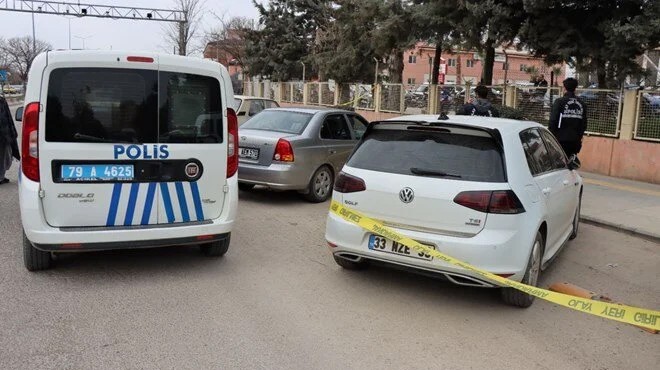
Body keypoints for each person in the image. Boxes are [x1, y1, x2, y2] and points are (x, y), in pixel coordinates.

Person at [549, 78, 587, 158]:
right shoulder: (582, 104)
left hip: (560, 140)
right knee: (570, 163)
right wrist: (579, 138)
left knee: (559, 163)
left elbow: (553, 120)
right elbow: (584, 124)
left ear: (564, 88)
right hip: (575, 141)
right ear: (575, 88)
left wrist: (552, 137)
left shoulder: (559, 102)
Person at [0, 95, 20, 184]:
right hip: (3, 135)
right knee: (4, 157)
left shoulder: (1, 100)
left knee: (5, 156)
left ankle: (1, 176)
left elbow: (7, 118)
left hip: (3, 135)